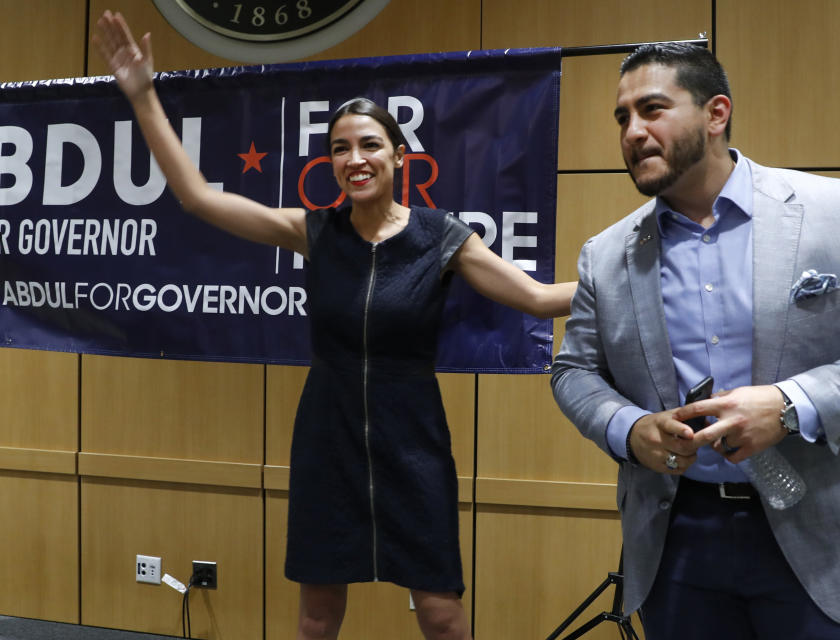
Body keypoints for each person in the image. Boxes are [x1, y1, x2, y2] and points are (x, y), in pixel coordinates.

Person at [94, 11, 575, 640]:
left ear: (400, 156)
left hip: (415, 442)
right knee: (318, 617)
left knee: (441, 613)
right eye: (341, 148)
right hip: (328, 436)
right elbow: (199, 199)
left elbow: (539, 300)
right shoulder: (313, 231)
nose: (355, 159)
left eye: (370, 144)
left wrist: (638, 275)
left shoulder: (443, 237)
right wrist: (142, 95)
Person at [550, 42, 840, 640]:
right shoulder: (606, 254)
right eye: (622, 117)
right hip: (676, 544)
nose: (633, 132)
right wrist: (627, 429)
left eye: (653, 109)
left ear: (717, 113)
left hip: (828, 540)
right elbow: (573, 371)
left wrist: (792, 405)